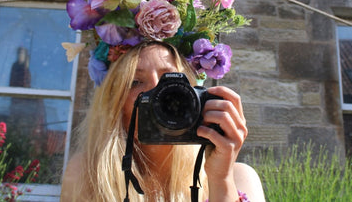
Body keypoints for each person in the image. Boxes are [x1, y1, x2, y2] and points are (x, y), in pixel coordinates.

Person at [61, 41, 265, 201]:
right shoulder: (87, 175)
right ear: (115, 102)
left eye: (171, 79)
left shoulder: (239, 179)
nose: (157, 90)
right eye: (135, 82)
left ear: (195, 94)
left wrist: (221, 180)